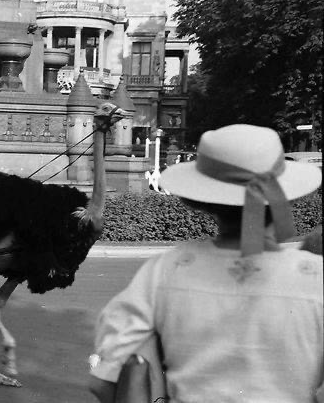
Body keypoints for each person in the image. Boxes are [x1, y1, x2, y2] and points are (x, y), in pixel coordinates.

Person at [89, 124, 323, 403]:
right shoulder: (315, 278)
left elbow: (106, 380)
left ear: (203, 200)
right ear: (281, 194)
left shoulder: (165, 271)